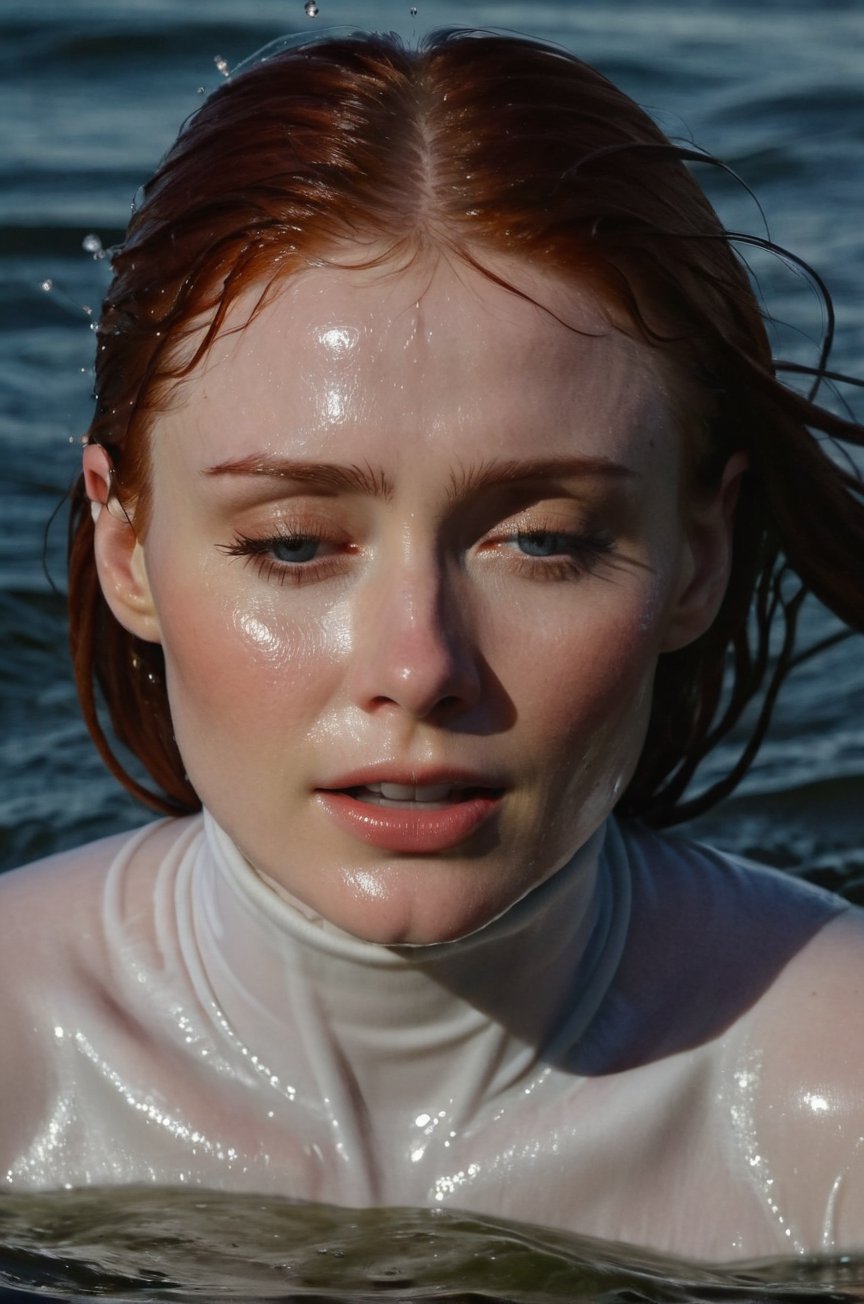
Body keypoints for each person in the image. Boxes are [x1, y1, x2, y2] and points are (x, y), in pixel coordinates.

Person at [2, 28, 864, 1263]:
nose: (417, 663)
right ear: (127, 549)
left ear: (701, 557)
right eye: (295, 544)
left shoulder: (836, 1118)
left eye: (545, 540)